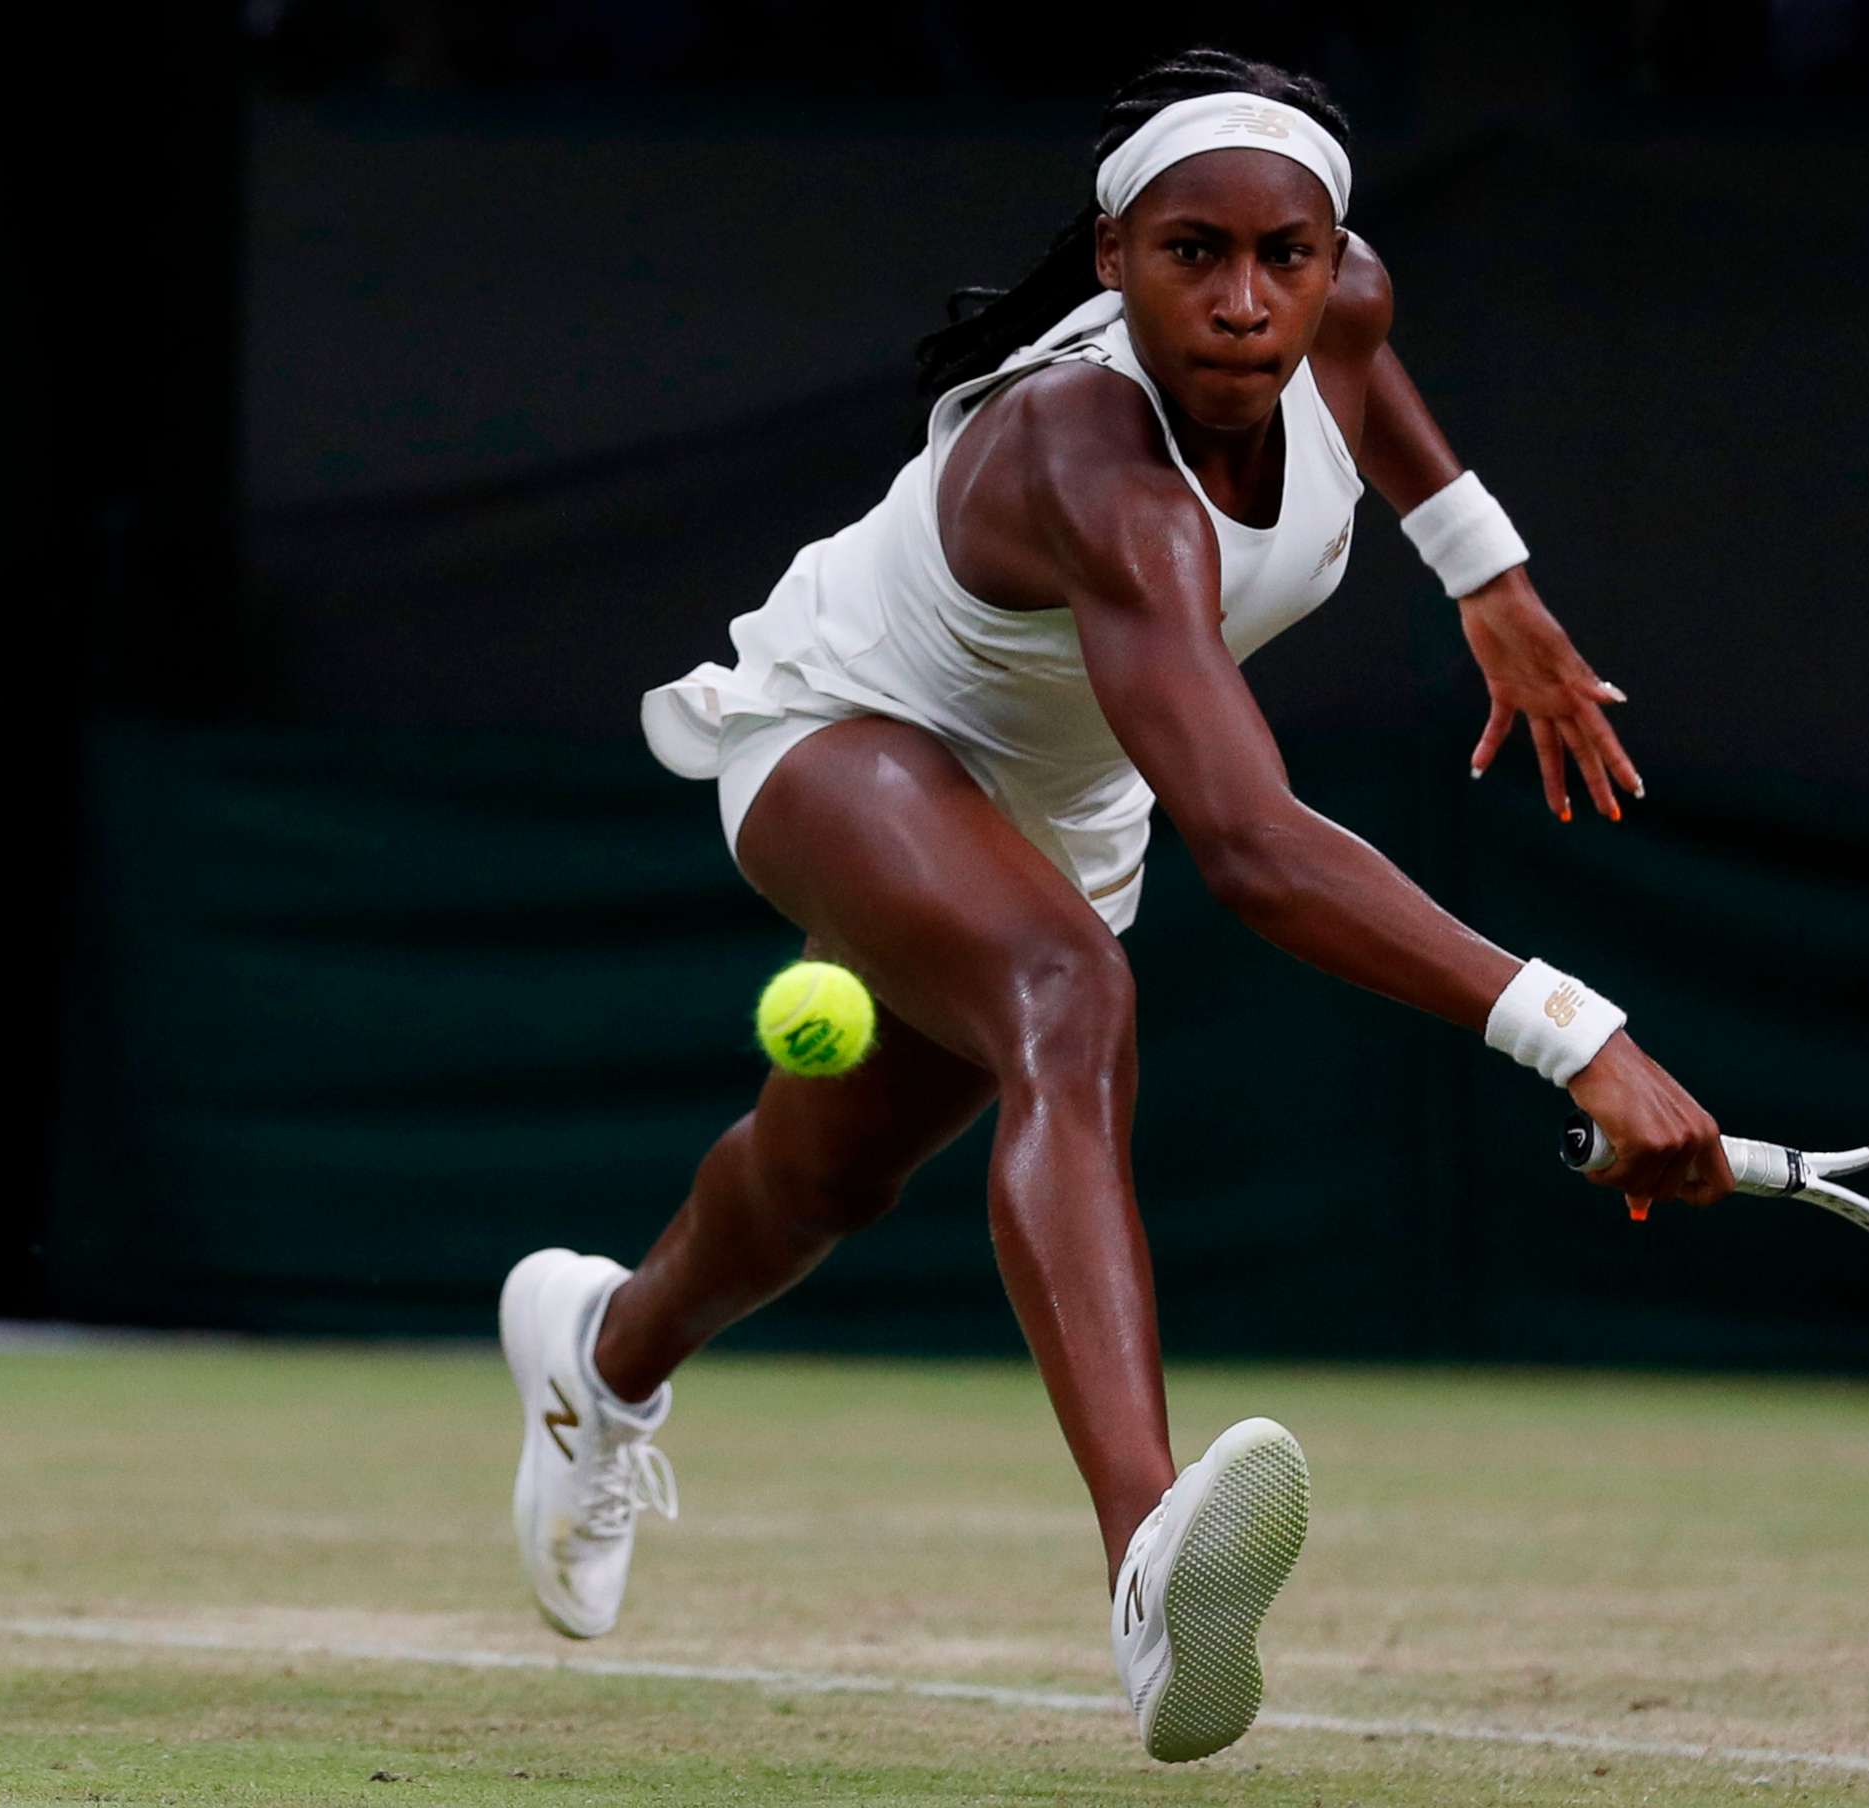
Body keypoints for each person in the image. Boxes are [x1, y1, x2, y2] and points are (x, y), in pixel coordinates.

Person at [496, 45, 1735, 1765]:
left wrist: (1493, 585)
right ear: (1110, 258)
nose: (1245, 301)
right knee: (1068, 1002)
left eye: (1282, 258)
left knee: (826, 1175)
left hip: (1056, 797)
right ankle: (1150, 1560)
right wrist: (1574, 1034)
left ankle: (599, 1352)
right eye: (1191, 255)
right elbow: (1254, 848)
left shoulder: (1340, 302)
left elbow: (1378, 401)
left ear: (1331, 255)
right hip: (845, 730)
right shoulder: (1094, 461)